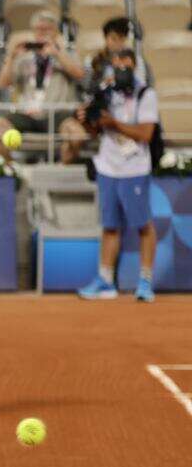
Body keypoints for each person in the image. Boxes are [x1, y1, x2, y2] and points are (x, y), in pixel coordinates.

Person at [75, 49, 160, 303]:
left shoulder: (146, 94)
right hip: (107, 167)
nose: (120, 69)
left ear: (135, 67)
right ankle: (105, 281)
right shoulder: (105, 93)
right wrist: (87, 119)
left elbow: (146, 134)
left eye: (126, 64)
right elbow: (93, 131)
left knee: (143, 225)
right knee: (110, 226)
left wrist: (112, 122)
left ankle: (145, 281)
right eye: (116, 65)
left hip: (134, 168)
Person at [0, 10, 87, 163]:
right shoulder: (23, 57)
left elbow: (79, 74)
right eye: (38, 29)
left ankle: (60, 174)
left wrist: (57, 54)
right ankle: (13, 170)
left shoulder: (67, 54)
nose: (42, 33)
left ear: (56, 32)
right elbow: (2, 84)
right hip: (27, 114)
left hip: (58, 114)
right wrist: (11, 56)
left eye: (47, 29)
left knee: (77, 136)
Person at [87, 17, 144, 92]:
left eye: (121, 39)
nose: (117, 43)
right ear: (105, 38)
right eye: (113, 38)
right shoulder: (93, 60)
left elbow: (141, 87)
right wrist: (105, 83)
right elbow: (88, 88)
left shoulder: (136, 60)